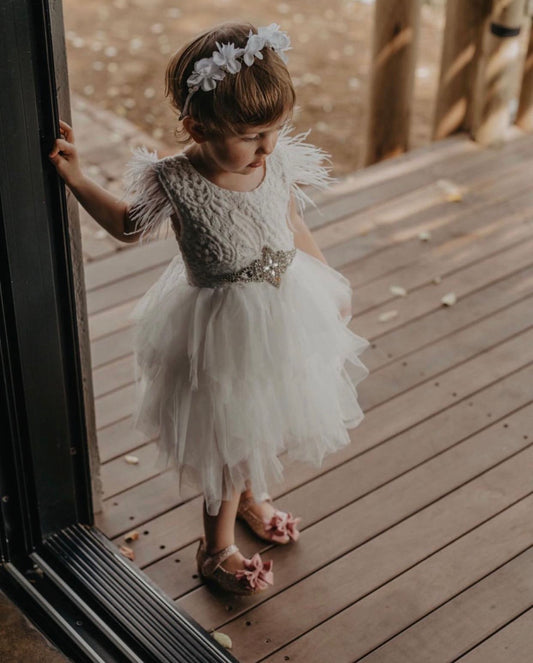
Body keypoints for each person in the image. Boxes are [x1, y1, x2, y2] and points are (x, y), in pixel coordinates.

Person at [49, 21, 370, 596]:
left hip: (287, 313)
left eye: (275, 130)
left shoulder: (275, 164)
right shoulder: (176, 179)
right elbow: (127, 225)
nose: (265, 148)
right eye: (249, 135)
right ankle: (214, 546)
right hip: (223, 332)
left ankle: (252, 496)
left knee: (268, 418)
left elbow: (291, 224)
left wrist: (330, 285)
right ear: (197, 128)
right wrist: (74, 176)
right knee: (228, 437)